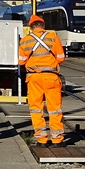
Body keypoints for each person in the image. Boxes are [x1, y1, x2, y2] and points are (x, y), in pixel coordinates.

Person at [19, 14, 66, 146]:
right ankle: (57, 139)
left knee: (36, 109)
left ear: (31, 27)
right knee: (54, 108)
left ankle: (41, 139)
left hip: (33, 78)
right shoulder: (53, 37)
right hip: (51, 77)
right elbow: (61, 57)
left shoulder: (25, 40)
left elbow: (21, 61)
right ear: (43, 26)